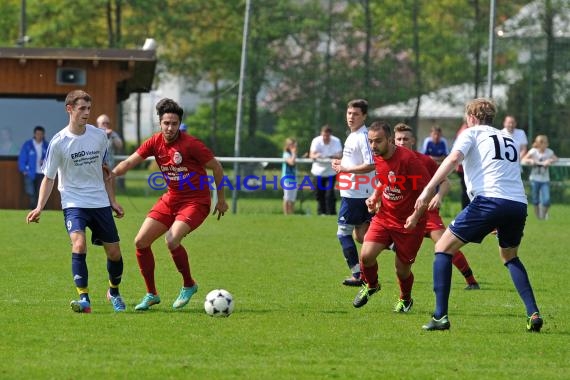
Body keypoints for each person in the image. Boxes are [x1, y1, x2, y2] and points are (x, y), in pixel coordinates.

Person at [415, 98, 543, 332]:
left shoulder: (471, 132)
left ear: (471, 117)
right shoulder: (508, 138)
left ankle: (440, 317)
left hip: (490, 201)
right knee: (510, 256)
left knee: (442, 248)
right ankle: (533, 313)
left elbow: (453, 160)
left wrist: (428, 189)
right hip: (517, 204)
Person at [110, 98, 228, 311]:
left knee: (171, 240)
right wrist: (111, 174)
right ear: (160, 123)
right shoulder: (154, 142)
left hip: (196, 201)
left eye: (174, 123)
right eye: (166, 123)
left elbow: (217, 168)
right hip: (171, 198)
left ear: (179, 124)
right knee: (140, 242)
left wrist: (221, 199)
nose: (170, 127)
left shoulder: (191, 144)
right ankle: (151, 294)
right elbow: (129, 162)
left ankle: (189, 284)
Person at [25, 90, 126, 313]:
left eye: (89, 109)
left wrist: (113, 201)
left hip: (99, 201)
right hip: (73, 202)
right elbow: (49, 178)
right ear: (69, 109)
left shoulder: (99, 136)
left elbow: (105, 172)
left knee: (114, 253)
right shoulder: (59, 142)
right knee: (79, 244)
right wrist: (39, 206)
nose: (87, 113)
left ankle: (114, 291)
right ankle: (84, 299)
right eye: (82, 108)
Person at [352, 120, 430, 311]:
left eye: (377, 141)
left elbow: (427, 191)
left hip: (410, 223)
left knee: (402, 271)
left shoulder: (409, 160)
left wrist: (415, 216)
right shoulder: (378, 157)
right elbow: (384, 181)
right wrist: (374, 197)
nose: (373, 146)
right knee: (366, 256)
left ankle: (405, 299)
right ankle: (371, 285)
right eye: (370, 141)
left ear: (389, 140)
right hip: (385, 216)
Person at [393, 123, 480, 290]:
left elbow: (446, 183)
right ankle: (366, 279)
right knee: (368, 239)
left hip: (427, 213)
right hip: (400, 215)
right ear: (393, 140)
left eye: (406, 139)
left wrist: (439, 196)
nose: (402, 142)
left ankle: (471, 281)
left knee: (445, 244)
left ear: (413, 140)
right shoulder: (388, 161)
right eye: (399, 139)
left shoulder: (425, 161)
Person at [331, 99, 376, 287]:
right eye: (349, 113)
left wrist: (345, 169)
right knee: (361, 236)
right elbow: (353, 161)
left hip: (357, 194)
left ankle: (358, 275)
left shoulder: (363, 136)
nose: (351, 117)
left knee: (343, 233)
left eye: (356, 114)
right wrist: (340, 164)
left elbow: (371, 163)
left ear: (364, 116)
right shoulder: (353, 135)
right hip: (355, 191)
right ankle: (397, 247)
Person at [521, 135, 558, 220]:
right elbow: (523, 159)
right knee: (535, 200)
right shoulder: (533, 151)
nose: (543, 145)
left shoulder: (549, 152)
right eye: (541, 143)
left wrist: (550, 161)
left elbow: (556, 159)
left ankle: (543, 216)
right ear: (537, 144)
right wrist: (531, 161)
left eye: (544, 143)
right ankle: (539, 219)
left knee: (546, 200)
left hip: (545, 180)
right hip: (534, 179)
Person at [309, 125, 342, 215]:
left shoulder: (336, 141)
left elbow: (339, 155)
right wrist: (317, 155)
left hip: (331, 172)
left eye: (327, 136)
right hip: (317, 172)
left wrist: (328, 156)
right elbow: (311, 155)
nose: (325, 138)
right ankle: (321, 212)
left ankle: (331, 213)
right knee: (319, 193)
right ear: (321, 134)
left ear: (330, 135)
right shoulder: (316, 141)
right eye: (324, 135)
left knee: (329, 193)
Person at [18, 126, 49, 209]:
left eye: (41, 134)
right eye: (37, 134)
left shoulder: (47, 145)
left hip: (42, 173)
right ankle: (33, 208)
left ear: (43, 135)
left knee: (41, 191)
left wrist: (45, 161)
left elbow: (51, 158)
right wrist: (24, 169)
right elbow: (22, 158)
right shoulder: (28, 145)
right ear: (34, 134)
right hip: (30, 172)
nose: (39, 135)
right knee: (31, 191)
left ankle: (41, 209)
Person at [96, 114, 124, 190]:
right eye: (103, 123)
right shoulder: (94, 134)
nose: (105, 125)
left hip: (109, 169)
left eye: (107, 123)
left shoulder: (112, 134)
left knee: (109, 191)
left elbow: (120, 145)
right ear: (98, 124)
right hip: (96, 170)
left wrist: (112, 135)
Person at [454, 123, 470, 209]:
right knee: (467, 190)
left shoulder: (464, 129)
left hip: (463, 167)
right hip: (463, 167)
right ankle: (465, 210)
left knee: (467, 190)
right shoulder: (465, 131)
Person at [282, 138, 298, 215]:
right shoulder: (286, 154)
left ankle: (291, 214)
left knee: (292, 198)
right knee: (287, 198)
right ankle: (286, 214)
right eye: (291, 144)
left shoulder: (293, 154)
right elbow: (291, 162)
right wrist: (293, 153)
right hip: (287, 179)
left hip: (294, 179)